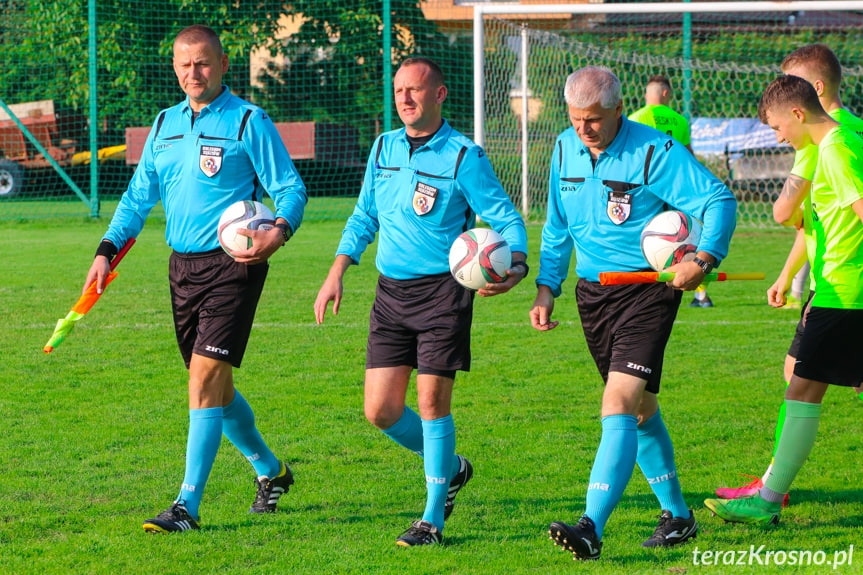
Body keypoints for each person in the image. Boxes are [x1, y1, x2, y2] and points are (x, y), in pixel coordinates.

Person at [84, 25, 307, 533]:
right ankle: (271, 471)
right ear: (175, 69)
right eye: (185, 65)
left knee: (203, 381)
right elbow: (136, 201)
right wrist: (106, 252)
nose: (194, 73)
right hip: (181, 268)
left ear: (223, 64)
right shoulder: (163, 125)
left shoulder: (249, 121)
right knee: (214, 386)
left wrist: (278, 231)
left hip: (235, 267)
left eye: (203, 63)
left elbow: (290, 189)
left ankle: (186, 506)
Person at [314, 57, 528, 547]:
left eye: (415, 90)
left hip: (443, 294)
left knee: (431, 404)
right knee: (381, 411)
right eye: (398, 91)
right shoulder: (383, 147)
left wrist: (515, 265)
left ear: (440, 94)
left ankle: (431, 519)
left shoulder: (462, 156)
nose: (405, 98)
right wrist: (337, 270)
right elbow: (364, 215)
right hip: (390, 294)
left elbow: (505, 217)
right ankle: (451, 468)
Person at [531, 66, 736, 560]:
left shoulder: (654, 151)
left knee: (618, 402)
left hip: (648, 293)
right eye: (577, 119)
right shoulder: (563, 148)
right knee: (641, 411)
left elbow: (718, 199)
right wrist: (546, 287)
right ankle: (680, 517)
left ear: (619, 109)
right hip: (593, 294)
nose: (585, 129)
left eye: (596, 120)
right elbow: (557, 226)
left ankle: (589, 527)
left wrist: (702, 257)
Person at [705, 74, 863, 525]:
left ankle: (767, 501)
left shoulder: (834, 149)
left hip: (843, 292)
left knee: (802, 390)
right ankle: (768, 496)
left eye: (777, 128)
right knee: (806, 385)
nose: (778, 137)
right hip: (839, 289)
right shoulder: (846, 137)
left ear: (797, 112)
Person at [629, 75, 713, 309]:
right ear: (666, 94)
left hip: (647, 191)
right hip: (677, 190)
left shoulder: (636, 118)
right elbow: (688, 156)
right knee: (685, 240)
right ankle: (701, 294)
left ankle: (645, 290)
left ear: (649, 94)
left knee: (650, 238)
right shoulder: (680, 120)